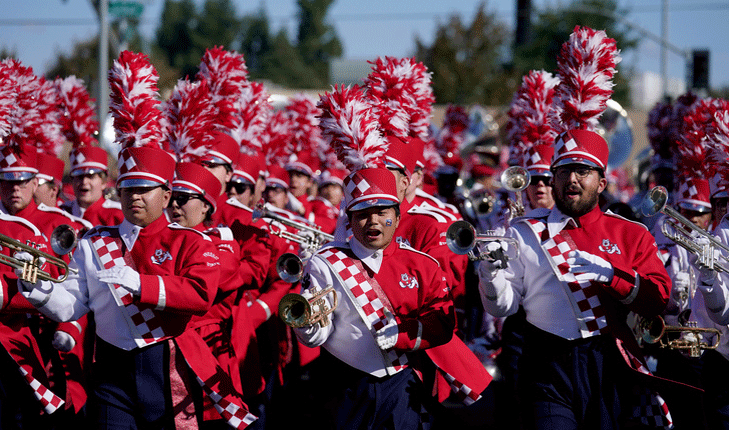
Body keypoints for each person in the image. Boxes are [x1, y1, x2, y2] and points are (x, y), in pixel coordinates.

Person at [478, 129, 674, 429]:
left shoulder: (631, 233)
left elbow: (658, 299)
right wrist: (490, 275)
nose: (572, 179)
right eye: (564, 170)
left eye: (583, 171)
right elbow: (502, 308)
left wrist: (613, 276)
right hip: (546, 363)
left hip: (608, 362)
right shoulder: (524, 232)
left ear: (602, 182)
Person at [294, 166, 459, 429]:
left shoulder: (423, 265)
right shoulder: (326, 262)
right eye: (362, 214)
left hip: (402, 383)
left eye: (382, 213)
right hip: (343, 384)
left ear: (397, 214)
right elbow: (317, 338)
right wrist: (308, 325)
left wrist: (403, 333)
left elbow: (443, 324)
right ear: (349, 219)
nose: (373, 221)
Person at [61, 145, 124, 227]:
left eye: (90, 176)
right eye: (79, 176)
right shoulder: (62, 212)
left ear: (104, 182)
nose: (84, 181)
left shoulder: (118, 214)